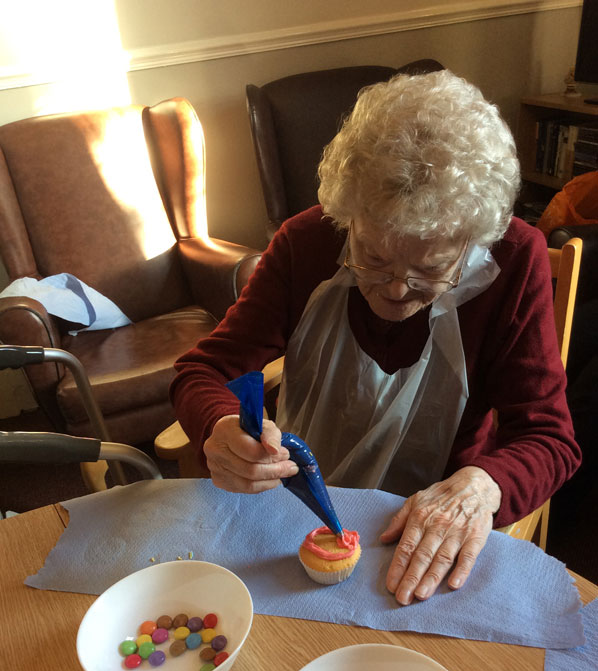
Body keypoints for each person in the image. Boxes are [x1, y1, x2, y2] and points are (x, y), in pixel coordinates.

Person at [171, 70, 580, 605]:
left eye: (430, 270)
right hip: (296, 514)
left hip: (426, 532)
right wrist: (219, 425)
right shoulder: (306, 243)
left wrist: (483, 487)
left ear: (473, 243)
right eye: (374, 258)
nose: (396, 292)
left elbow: (549, 437)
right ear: (348, 219)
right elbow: (200, 372)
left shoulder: (513, 260)